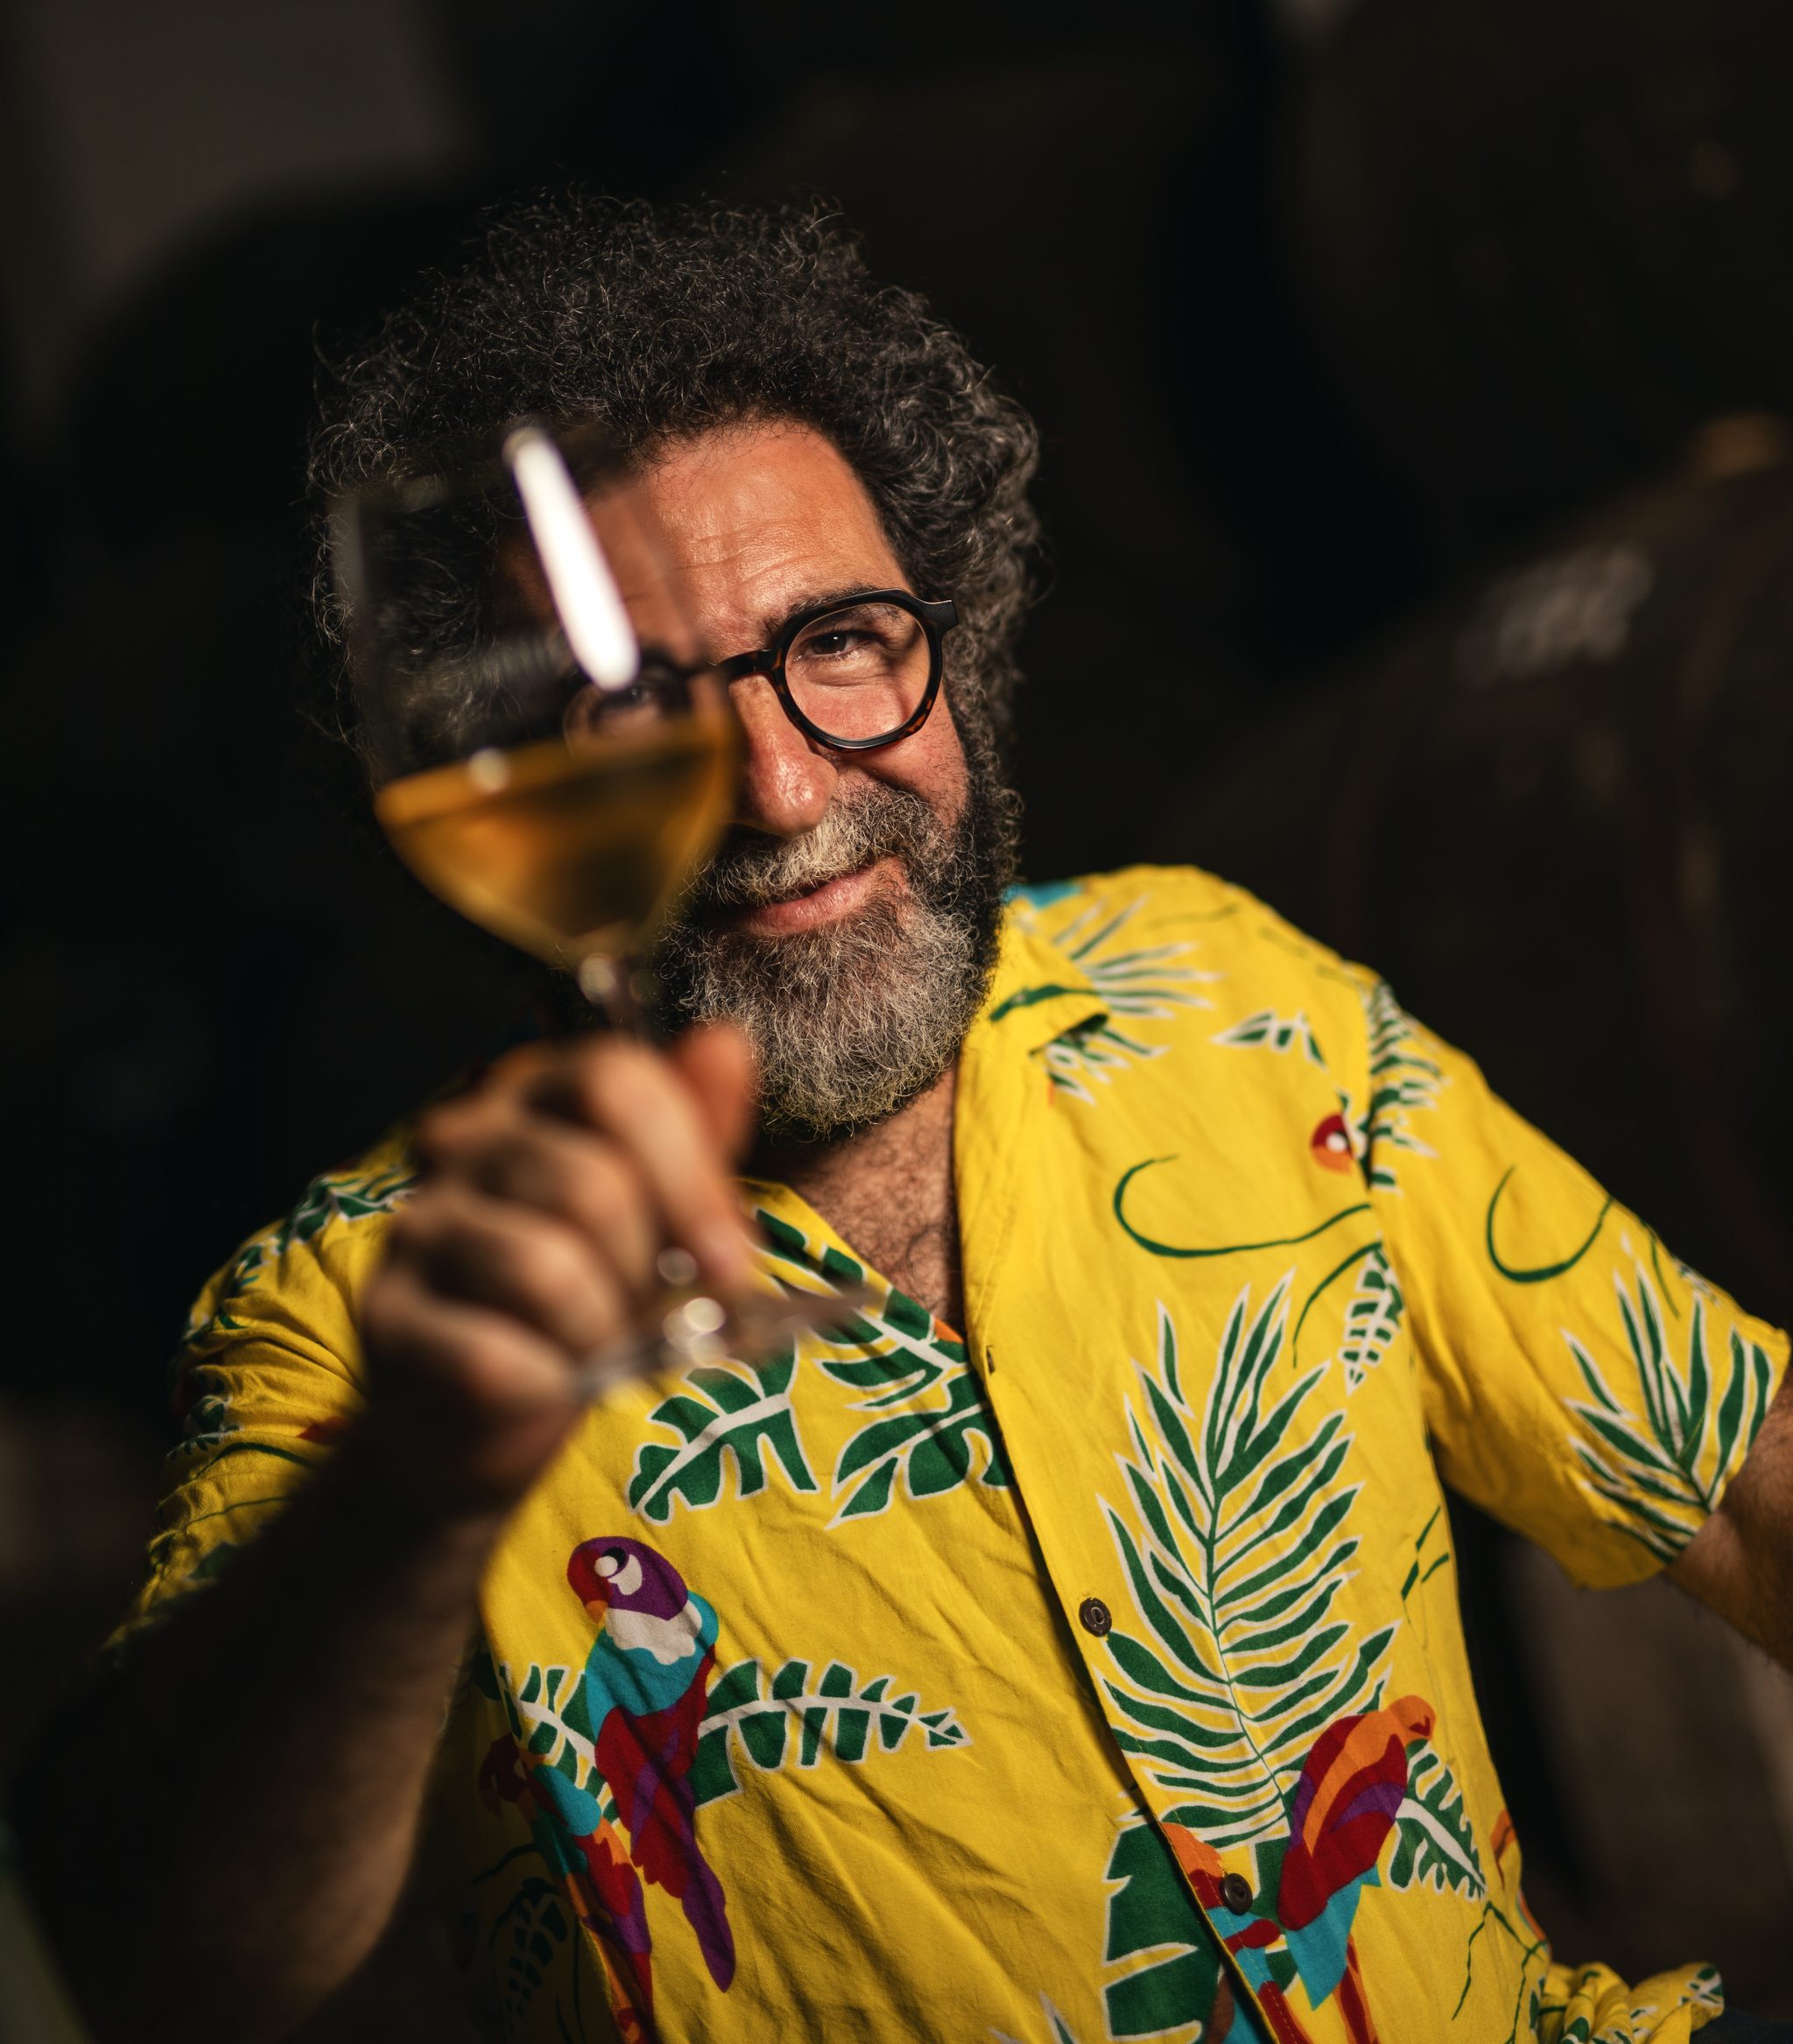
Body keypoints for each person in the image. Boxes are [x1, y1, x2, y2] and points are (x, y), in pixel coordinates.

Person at [13, 196, 1792, 2044]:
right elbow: (149, 1965)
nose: (785, 790)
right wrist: (409, 1495)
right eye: (636, 705)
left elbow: (1743, 1480)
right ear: (493, 762)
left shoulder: (1225, 992)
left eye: (842, 640)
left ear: (956, 633)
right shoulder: (364, 1309)